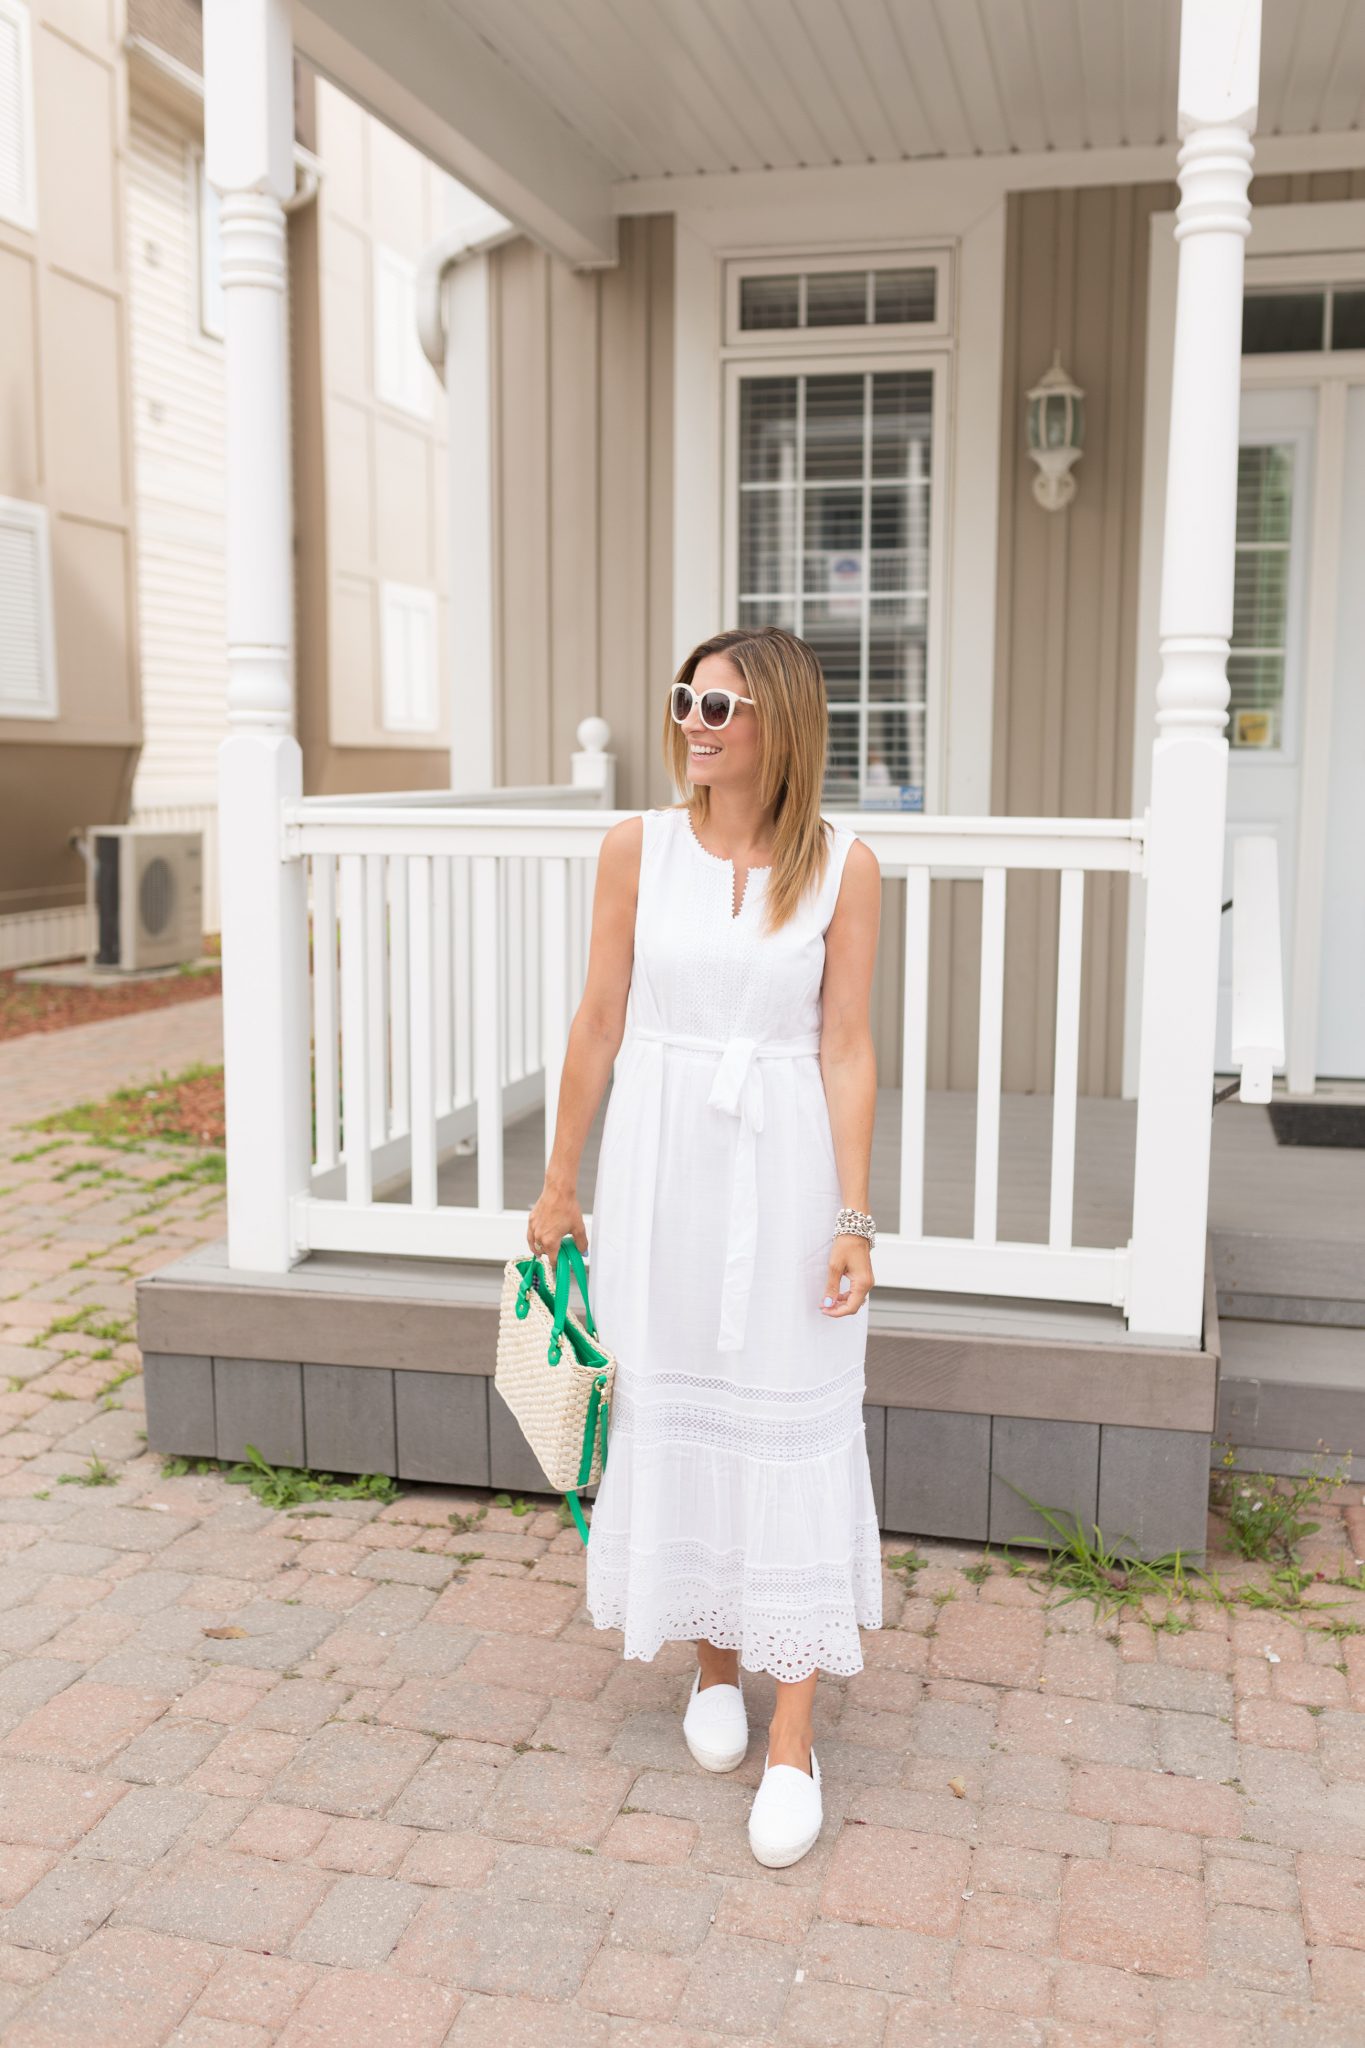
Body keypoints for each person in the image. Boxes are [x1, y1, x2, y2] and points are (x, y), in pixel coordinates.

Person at [525, 624, 883, 1868]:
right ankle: (715, 1662)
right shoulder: (636, 847)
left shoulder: (844, 867)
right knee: (682, 1395)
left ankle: (794, 1735)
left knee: (788, 1409)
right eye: (685, 698)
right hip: (663, 1166)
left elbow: (847, 1046)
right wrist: (560, 1180)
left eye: (719, 705)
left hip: (784, 1168)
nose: (693, 722)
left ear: (779, 722)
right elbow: (598, 1018)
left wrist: (853, 1215)